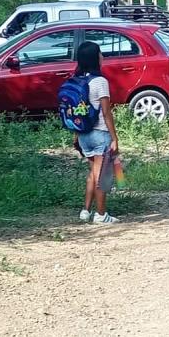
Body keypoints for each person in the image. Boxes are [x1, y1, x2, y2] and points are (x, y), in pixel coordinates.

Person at [73, 41, 121, 224]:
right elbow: (107, 113)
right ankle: (101, 215)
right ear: (94, 58)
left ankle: (86, 211)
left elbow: (77, 111)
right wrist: (115, 138)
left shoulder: (77, 80)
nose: (103, 56)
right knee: (102, 177)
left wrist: (76, 135)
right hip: (100, 133)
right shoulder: (100, 82)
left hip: (84, 134)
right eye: (100, 53)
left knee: (93, 173)